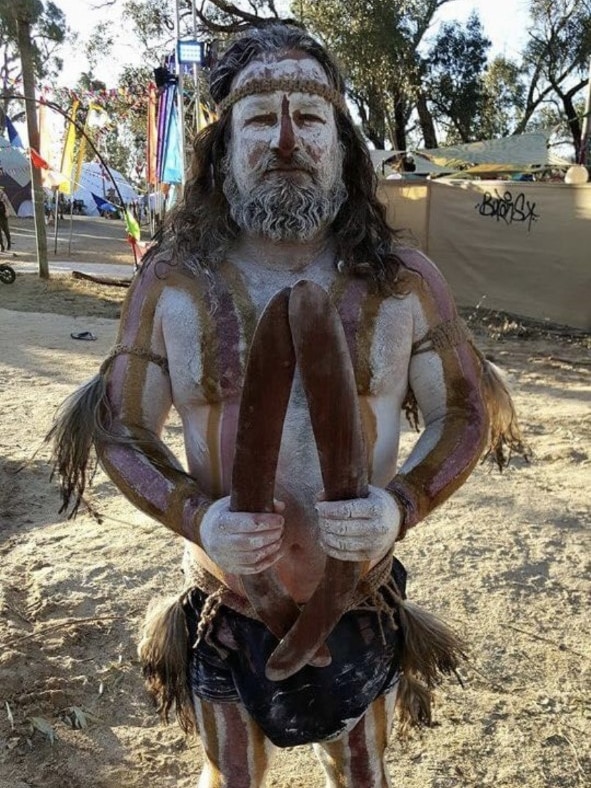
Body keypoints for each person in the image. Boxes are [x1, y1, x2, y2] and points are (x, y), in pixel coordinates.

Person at [48, 23, 525, 787]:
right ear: (221, 147)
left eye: (307, 119)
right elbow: (120, 425)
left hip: (359, 598)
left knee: (362, 771)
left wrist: (398, 506)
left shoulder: (402, 281)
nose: (285, 141)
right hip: (224, 602)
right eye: (259, 118)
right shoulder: (172, 280)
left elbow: (466, 410)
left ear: (340, 141)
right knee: (230, 774)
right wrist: (201, 519)